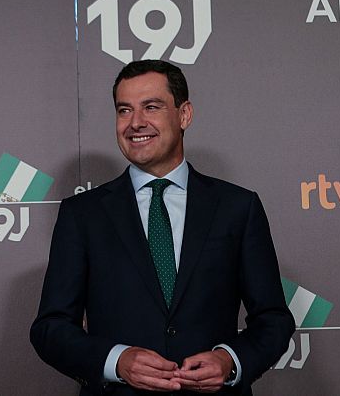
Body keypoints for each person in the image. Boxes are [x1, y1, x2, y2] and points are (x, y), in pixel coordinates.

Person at [30, 60, 294, 395]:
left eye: (151, 107)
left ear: (184, 115)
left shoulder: (238, 207)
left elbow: (273, 319)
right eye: (124, 110)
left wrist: (229, 360)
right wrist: (116, 361)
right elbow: (51, 328)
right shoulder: (82, 214)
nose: (135, 122)